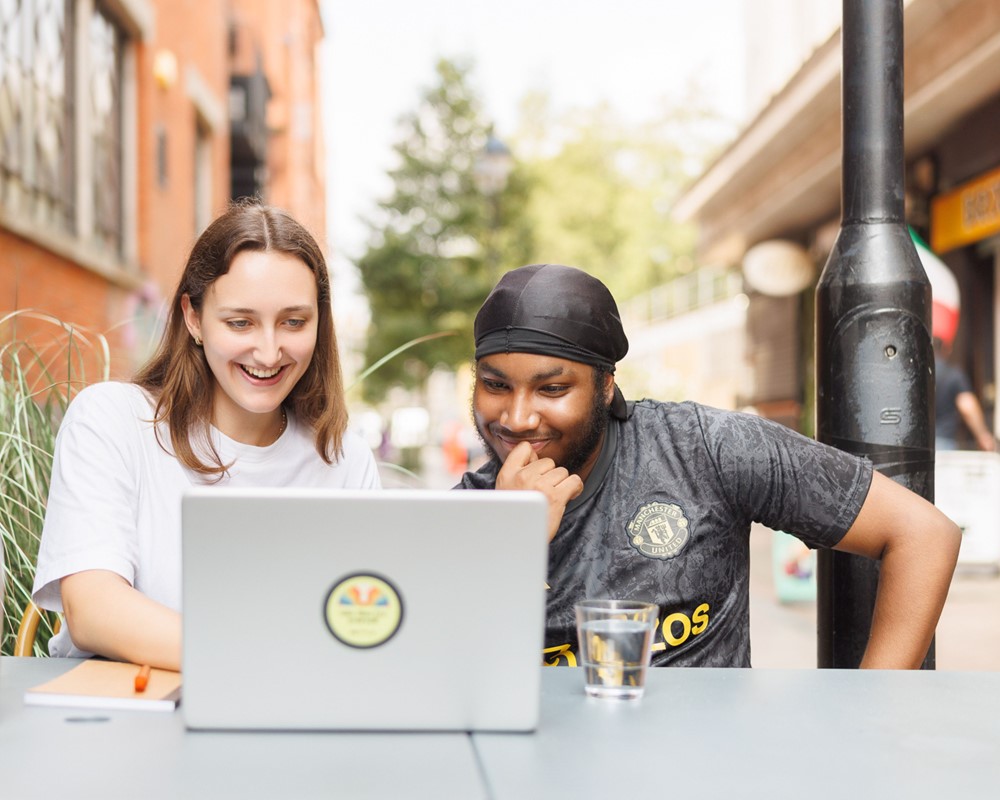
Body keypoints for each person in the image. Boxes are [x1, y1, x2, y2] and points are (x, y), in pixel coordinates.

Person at [457, 263, 961, 669]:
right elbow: (447, 682)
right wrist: (514, 538)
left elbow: (923, 534)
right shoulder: (452, 517)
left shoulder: (702, 448)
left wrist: (872, 716)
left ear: (606, 386)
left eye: (551, 389)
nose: (517, 418)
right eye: (496, 385)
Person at [32, 202, 381, 670]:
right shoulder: (111, 421)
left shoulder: (344, 459)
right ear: (193, 318)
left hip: (283, 718)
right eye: (240, 322)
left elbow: (363, 617)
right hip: (119, 720)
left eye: (294, 322)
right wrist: (264, 662)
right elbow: (93, 610)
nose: (270, 350)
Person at [934, 338, 995, 452]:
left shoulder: (916, 377)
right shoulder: (953, 375)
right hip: (944, 442)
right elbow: (967, 407)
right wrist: (983, 436)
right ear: (946, 350)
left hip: (920, 443)